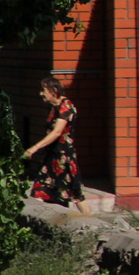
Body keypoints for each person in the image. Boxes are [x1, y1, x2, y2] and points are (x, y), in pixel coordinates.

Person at [23, 76, 90, 214]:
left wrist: (34, 148)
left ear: (53, 91)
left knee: (76, 193)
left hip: (63, 157)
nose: (41, 93)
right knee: (39, 190)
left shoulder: (66, 106)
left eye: (43, 90)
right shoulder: (54, 107)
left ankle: (93, 225)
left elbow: (57, 132)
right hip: (52, 157)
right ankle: (37, 224)